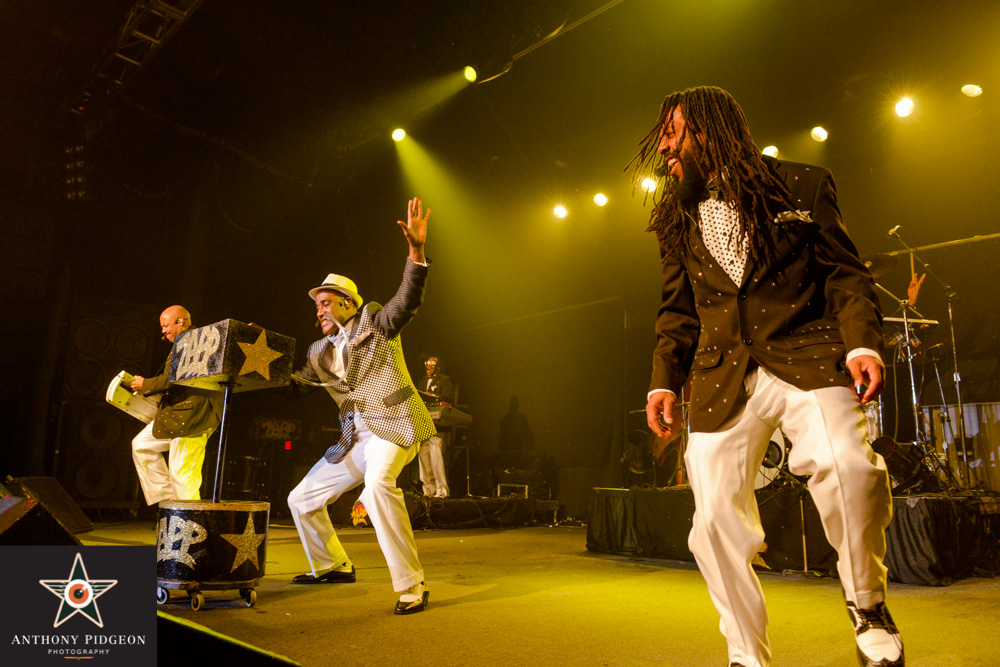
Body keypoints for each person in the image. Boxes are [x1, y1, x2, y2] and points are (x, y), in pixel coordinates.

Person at [631, 87, 902, 667]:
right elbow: (677, 309)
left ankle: (868, 606)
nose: (664, 146)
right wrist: (662, 381)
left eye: (674, 132)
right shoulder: (675, 215)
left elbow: (845, 275)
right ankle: (745, 654)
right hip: (721, 373)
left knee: (851, 468)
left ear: (710, 130)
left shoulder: (803, 184)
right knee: (712, 522)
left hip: (804, 354)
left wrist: (862, 344)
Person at [285, 198, 435, 615]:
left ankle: (411, 584)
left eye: (328, 301)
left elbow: (406, 300)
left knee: (377, 487)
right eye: (317, 304)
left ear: (349, 303)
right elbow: (294, 387)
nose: (320, 308)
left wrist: (416, 254)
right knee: (301, 499)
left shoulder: (375, 322)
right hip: (356, 438)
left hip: (395, 424)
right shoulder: (320, 352)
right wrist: (254, 369)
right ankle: (332, 565)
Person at [129, 306, 222, 504]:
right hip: (178, 415)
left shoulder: (194, 339)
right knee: (141, 446)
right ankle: (170, 503)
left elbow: (176, 377)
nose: (163, 331)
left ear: (180, 320)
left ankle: (192, 525)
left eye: (165, 326)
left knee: (183, 474)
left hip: (193, 417)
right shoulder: (186, 340)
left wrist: (145, 384)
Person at [416, 356, 454, 498]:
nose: (429, 367)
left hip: (438, 425)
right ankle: (428, 490)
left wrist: (433, 397)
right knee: (424, 456)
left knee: (436, 456)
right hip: (424, 422)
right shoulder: (422, 381)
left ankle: (442, 490)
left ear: (438, 366)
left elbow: (448, 397)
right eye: (427, 364)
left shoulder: (445, 380)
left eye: (432, 364)